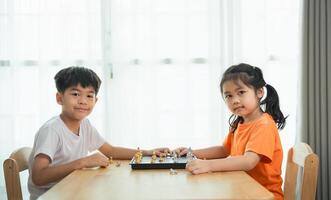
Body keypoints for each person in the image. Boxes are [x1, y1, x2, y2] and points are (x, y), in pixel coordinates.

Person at [28, 66, 169, 200]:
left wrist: (147, 152)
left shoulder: (85, 125)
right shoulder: (51, 130)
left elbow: (110, 150)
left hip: (74, 190)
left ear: (95, 101)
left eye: (89, 96)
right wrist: (83, 162)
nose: (83, 101)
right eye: (75, 94)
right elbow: (39, 177)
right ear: (59, 98)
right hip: (52, 196)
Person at [174, 63, 286, 200]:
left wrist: (208, 165)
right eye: (228, 96)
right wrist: (193, 152)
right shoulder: (240, 122)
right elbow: (224, 150)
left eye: (241, 92)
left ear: (259, 92)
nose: (235, 100)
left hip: (264, 195)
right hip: (242, 189)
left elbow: (248, 161)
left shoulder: (264, 125)